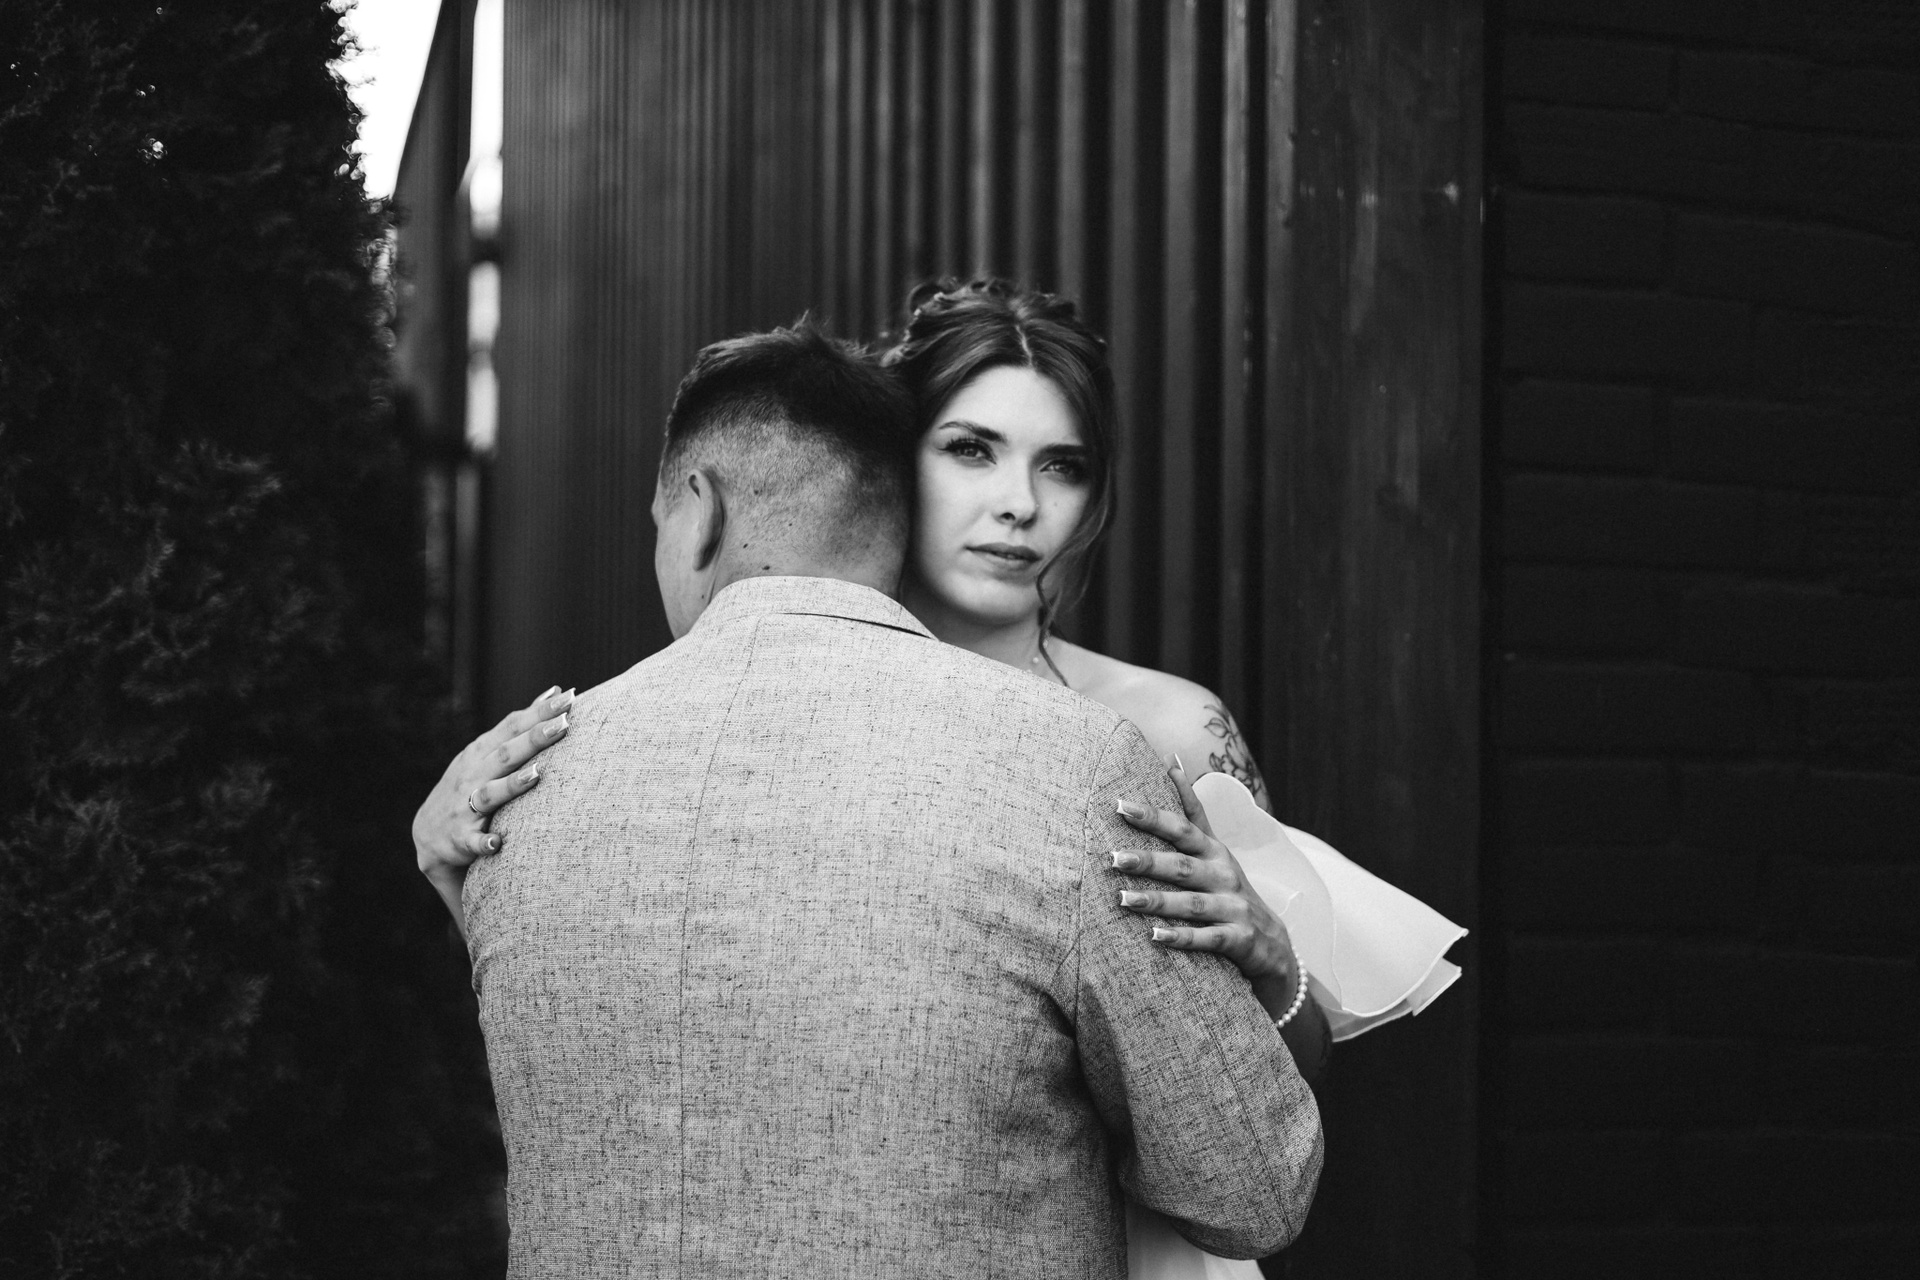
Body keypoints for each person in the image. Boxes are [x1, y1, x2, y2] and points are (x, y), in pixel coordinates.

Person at [456, 323, 1321, 1276]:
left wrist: (1276, 964)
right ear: (888, 476)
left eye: (1063, 465)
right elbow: (1252, 1179)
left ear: (698, 512)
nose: (1019, 504)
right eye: (971, 449)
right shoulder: (1071, 768)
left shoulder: (1148, 738)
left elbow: (1249, 1131)